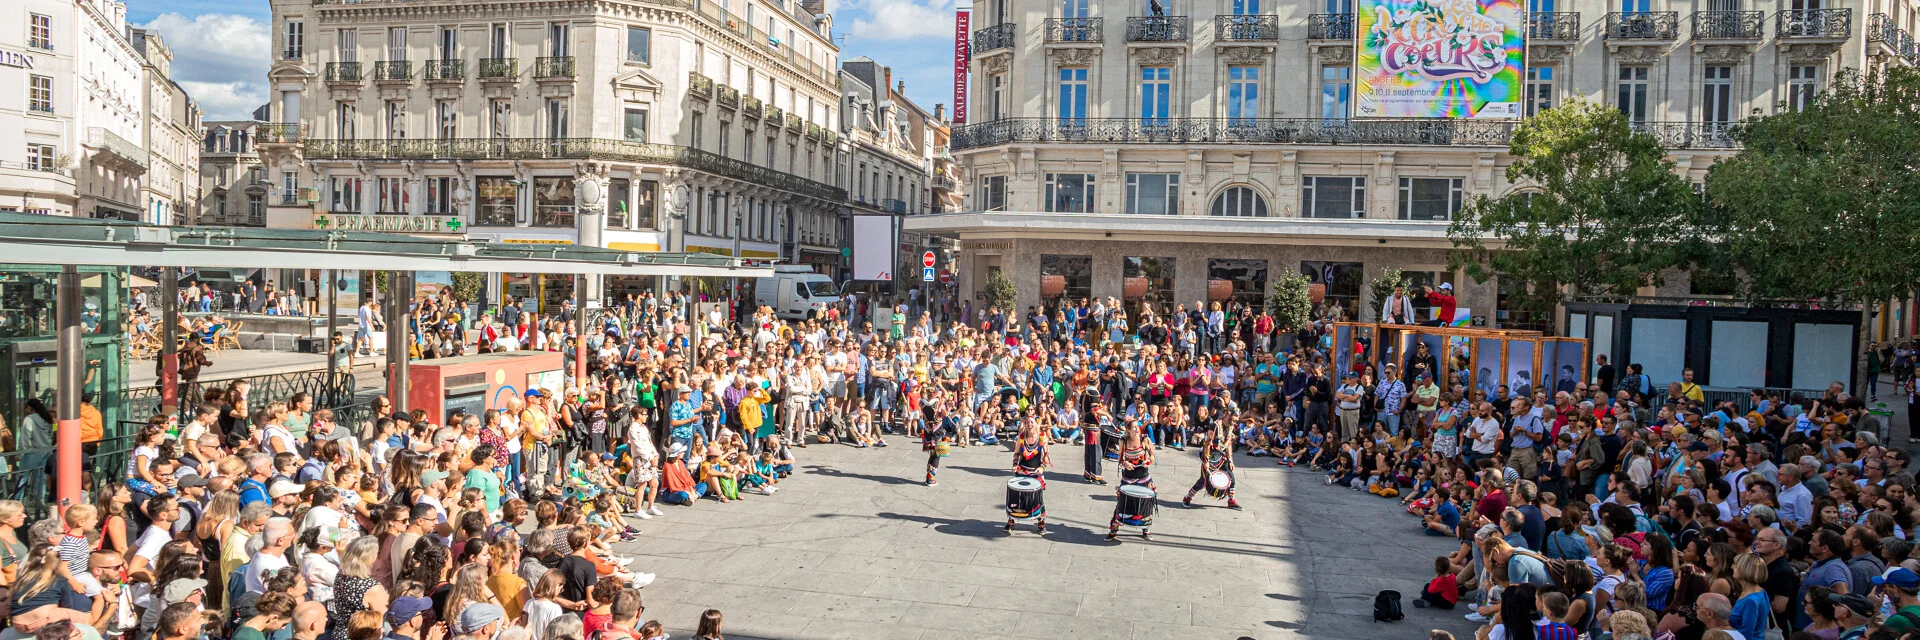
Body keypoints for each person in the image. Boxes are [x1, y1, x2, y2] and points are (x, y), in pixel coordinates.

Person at [1107, 422, 1155, 542]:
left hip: (1143, 476)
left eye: (1137, 427)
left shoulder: (1145, 439)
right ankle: (1114, 529)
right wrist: (1125, 463)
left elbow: (1153, 456)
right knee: (1122, 502)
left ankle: (1146, 528)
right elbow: (1119, 460)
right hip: (1128, 477)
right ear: (1128, 430)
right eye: (1133, 427)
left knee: (1145, 502)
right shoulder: (1123, 441)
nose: (1136, 429)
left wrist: (1148, 461)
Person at [1006, 422, 1050, 535]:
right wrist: (1015, 465)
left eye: (1032, 422)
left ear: (1036, 425)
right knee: (1016, 497)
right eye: (1027, 422)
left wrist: (1042, 467)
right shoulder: (1021, 438)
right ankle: (1011, 521)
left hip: (1036, 472)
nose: (1030, 424)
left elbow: (1046, 456)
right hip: (1022, 471)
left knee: (1038, 498)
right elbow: (1016, 454)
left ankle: (1041, 523)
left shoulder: (1042, 437)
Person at [1182, 427, 1240, 510]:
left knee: (1231, 478)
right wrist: (1206, 461)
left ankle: (1231, 501)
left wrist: (1230, 461)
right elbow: (1206, 444)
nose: (1237, 419)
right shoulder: (1214, 428)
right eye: (1235, 416)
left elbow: (1228, 445)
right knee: (1203, 481)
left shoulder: (1230, 428)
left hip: (1221, 457)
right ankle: (1187, 497)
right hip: (1209, 456)